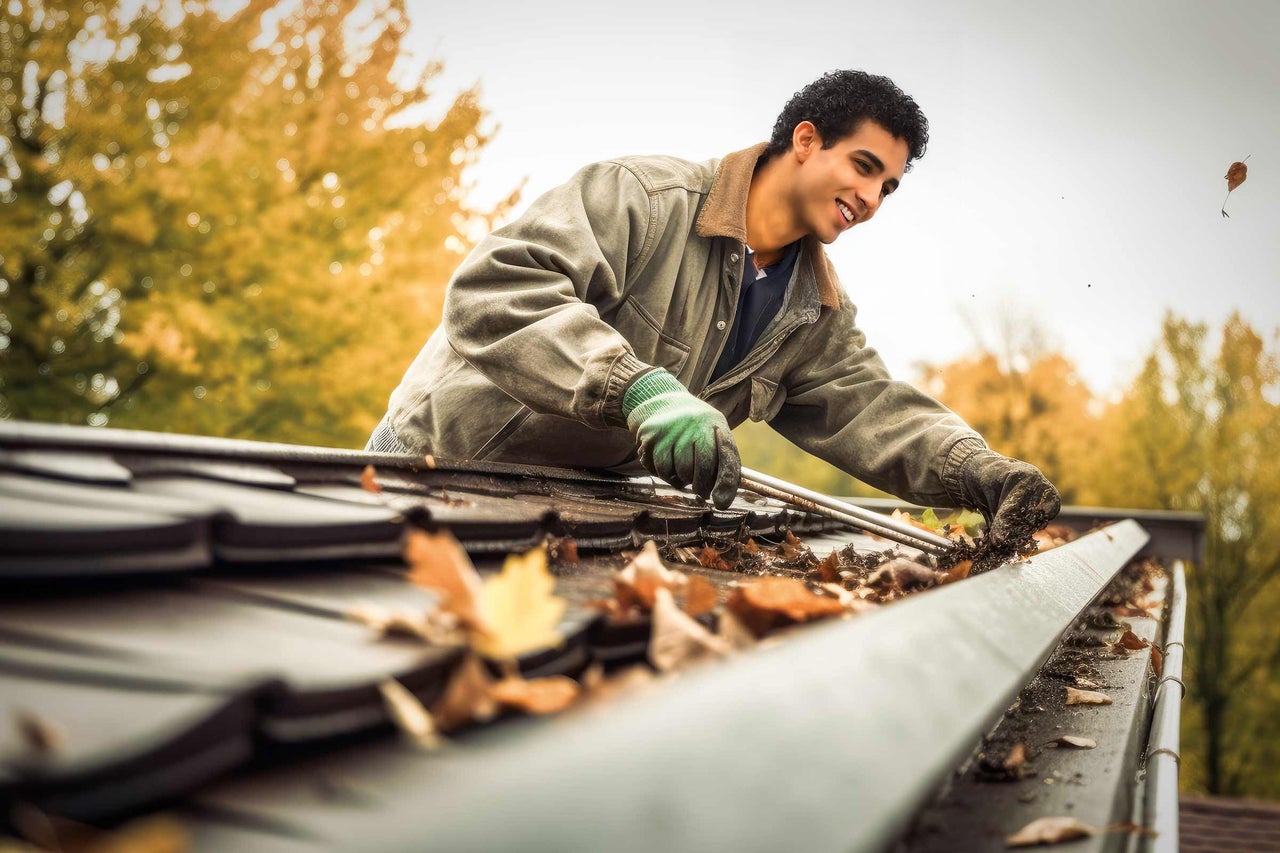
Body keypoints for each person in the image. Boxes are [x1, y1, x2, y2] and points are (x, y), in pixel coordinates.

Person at [368, 70, 1060, 547]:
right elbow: (495, 289)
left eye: (889, 187)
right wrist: (637, 387)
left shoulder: (813, 311)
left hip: (569, 513)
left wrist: (977, 470)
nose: (872, 199)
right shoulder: (643, 197)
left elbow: (872, 407)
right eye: (863, 165)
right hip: (431, 473)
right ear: (806, 139)